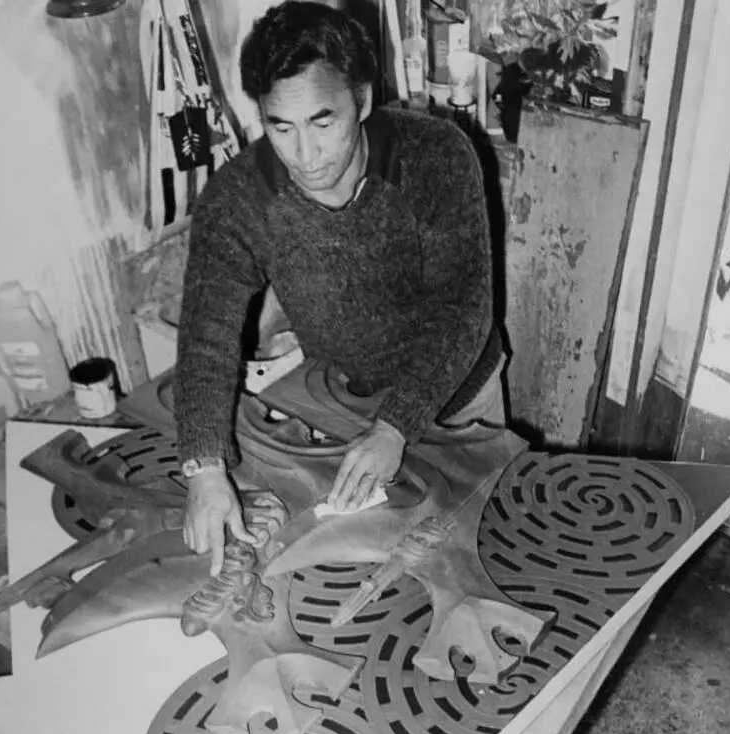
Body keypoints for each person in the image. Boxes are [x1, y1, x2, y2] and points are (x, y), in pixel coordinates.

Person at [176, 0, 503, 574]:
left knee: (479, 549)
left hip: (459, 396)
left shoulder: (436, 157)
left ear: (363, 100)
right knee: (377, 566)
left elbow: (463, 308)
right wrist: (203, 467)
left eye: (322, 122)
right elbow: (207, 333)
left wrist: (398, 425)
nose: (305, 155)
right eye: (281, 127)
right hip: (345, 402)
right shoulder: (238, 200)